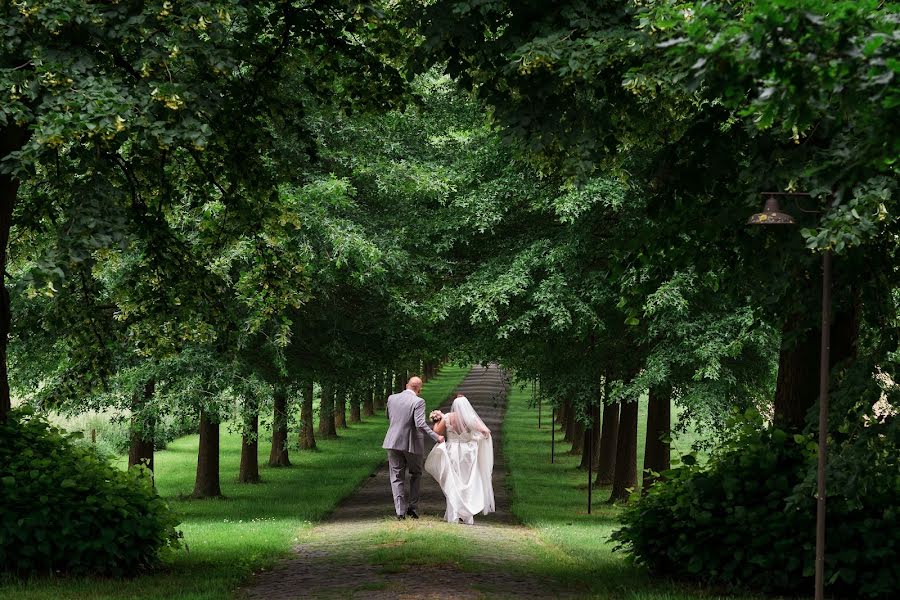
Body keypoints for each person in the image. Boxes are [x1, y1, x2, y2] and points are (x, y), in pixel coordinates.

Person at [424, 394, 495, 525]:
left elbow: (436, 432)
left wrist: (436, 420)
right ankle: (467, 515)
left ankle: (454, 514)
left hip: (452, 451)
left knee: (453, 481)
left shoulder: (447, 417)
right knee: (467, 482)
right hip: (468, 453)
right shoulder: (471, 418)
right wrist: (475, 438)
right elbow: (486, 431)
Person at [382, 376, 444, 520]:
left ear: (407, 385)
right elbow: (420, 424)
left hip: (392, 441)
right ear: (419, 389)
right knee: (416, 473)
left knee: (396, 476)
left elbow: (388, 417)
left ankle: (400, 511)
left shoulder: (392, 398)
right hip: (411, 443)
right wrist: (437, 437)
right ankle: (413, 508)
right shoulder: (418, 401)